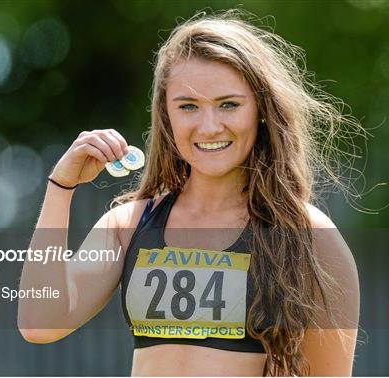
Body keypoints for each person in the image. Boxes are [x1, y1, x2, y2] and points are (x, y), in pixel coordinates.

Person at [18, 9, 361, 377]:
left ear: (261, 110)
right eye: (188, 107)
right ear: (166, 116)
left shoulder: (308, 235)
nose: (209, 126)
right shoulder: (130, 224)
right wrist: (61, 186)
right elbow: (41, 322)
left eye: (229, 104)